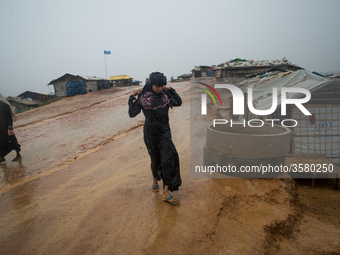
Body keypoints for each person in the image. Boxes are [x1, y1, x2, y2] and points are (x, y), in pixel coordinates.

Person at [128, 72, 182, 204]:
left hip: (164, 132)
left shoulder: (165, 95)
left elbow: (179, 102)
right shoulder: (143, 97)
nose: (160, 88)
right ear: (151, 84)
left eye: (162, 85)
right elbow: (132, 113)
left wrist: (171, 90)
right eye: (157, 86)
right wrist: (131, 97)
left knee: (169, 158)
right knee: (155, 158)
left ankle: (166, 192)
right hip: (150, 133)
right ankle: (154, 180)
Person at [0, 93, 21, 162]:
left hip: (7, 126)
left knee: (12, 139)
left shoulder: (4, 104)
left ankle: (18, 154)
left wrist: (10, 126)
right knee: (1, 142)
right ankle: (2, 157)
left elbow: (9, 116)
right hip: (1, 128)